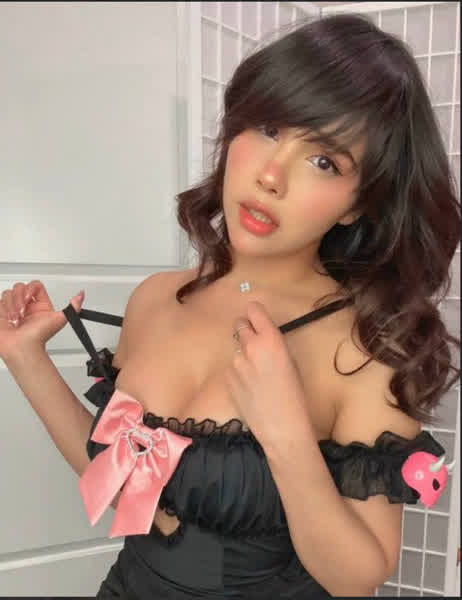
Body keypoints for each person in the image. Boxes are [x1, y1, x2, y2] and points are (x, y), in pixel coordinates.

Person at [1, 12, 459, 599]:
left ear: (357, 204)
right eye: (268, 128)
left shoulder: (364, 346)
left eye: (324, 161)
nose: (271, 176)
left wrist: (285, 432)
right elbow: (123, 488)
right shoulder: (155, 299)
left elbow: (356, 578)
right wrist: (25, 358)